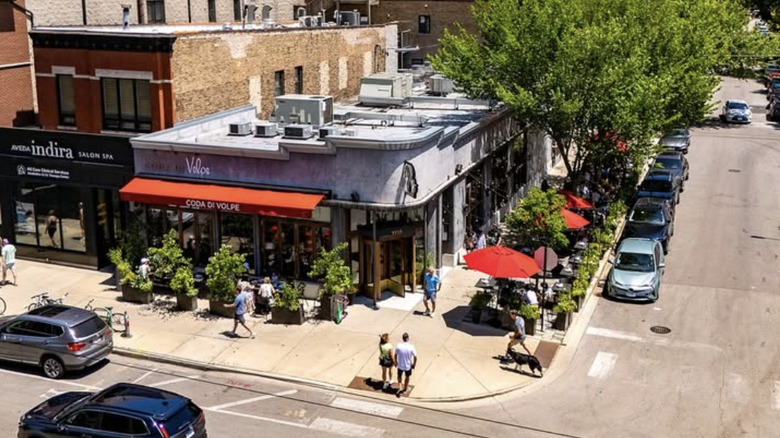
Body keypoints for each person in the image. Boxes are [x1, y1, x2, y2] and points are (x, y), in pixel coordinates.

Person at [394, 332, 417, 397]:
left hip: (400, 365)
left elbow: (395, 355)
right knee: (407, 377)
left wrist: (396, 362)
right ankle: (405, 388)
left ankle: (400, 386)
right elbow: (415, 356)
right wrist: (414, 364)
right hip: (408, 366)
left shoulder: (399, 346)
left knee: (399, 376)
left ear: (402, 338)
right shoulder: (411, 347)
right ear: (408, 338)